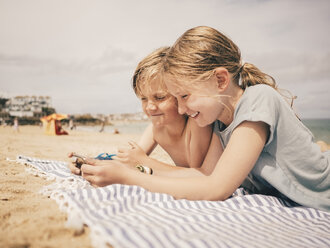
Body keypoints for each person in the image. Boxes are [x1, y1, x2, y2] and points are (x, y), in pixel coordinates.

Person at [74, 27, 330, 212]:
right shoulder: (219, 122)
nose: (182, 109)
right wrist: (114, 167)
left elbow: (216, 190)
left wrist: (130, 177)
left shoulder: (258, 100)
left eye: (185, 96)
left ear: (220, 80)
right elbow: (204, 176)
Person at [69, 46, 214, 177]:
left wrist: (145, 162)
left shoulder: (197, 124)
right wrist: (90, 161)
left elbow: (199, 174)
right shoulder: (157, 129)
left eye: (159, 97)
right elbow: (131, 159)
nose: (150, 107)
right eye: (144, 99)